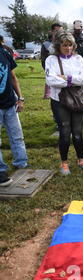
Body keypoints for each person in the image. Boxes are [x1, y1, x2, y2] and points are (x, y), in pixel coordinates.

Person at [45, 30, 83, 175]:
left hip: (78, 100)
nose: (68, 48)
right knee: (65, 131)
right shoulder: (51, 60)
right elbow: (51, 80)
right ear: (59, 45)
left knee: (77, 132)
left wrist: (66, 78)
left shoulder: (78, 59)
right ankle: (64, 162)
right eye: (65, 45)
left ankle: (81, 159)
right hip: (59, 100)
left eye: (71, 45)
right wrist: (74, 80)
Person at [0, 40, 28, 186]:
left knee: (17, 135)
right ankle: (1, 170)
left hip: (10, 103)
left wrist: (20, 98)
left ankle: (21, 163)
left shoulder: (4, 54)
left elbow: (13, 77)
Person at [41, 23, 62, 99]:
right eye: (56, 30)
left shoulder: (63, 43)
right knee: (49, 79)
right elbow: (43, 57)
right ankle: (47, 94)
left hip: (61, 66)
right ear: (52, 31)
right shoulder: (46, 44)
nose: (58, 32)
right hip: (50, 65)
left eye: (60, 30)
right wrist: (45, 67)